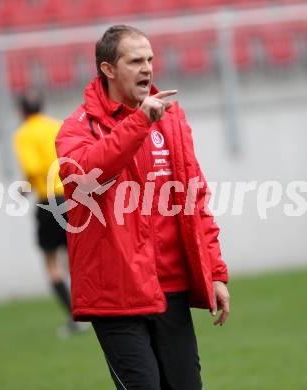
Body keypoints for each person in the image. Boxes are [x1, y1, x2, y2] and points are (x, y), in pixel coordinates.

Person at [56, 25, 230, 389]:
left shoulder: (172, 118)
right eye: (135, 61)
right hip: (117, 296)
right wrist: (139, 123)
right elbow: (86, 178)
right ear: (108, 69)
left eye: (149, 59)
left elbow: (194, 200)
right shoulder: (77, 128)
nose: (147, 68)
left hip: (173, 291)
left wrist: (214, 271)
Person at [13, 91, 87, 336]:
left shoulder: (24, 134)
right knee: (75, 260)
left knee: (52, 263)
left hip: (49, 201)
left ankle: (76, 319)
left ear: (21, 111)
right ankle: (92, 310)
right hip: (72, 197)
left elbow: (33, 167)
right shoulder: (56, 125)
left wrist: (23, 188)